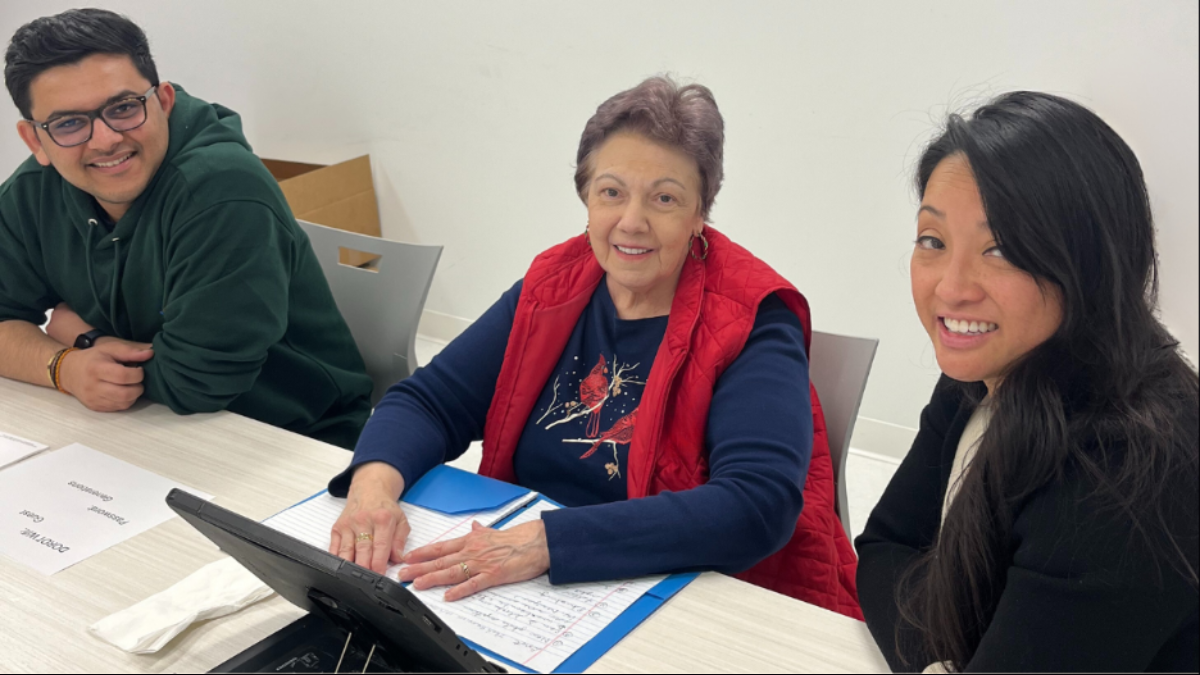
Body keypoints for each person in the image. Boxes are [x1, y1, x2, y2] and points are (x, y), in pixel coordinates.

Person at [327, 76, 861, 617]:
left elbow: (757, 505)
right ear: (586, 196)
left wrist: (547, 543)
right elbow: (430, 401)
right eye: (612, 192)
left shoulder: (752, 317)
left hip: (682, 596)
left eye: (665, 198)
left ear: (701, 212)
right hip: (528, 590)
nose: (632, 221)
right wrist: (373, 489)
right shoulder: (555, 284)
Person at [856, 92, 1199, 672]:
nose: (951, 288)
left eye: (1002, 250)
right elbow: (885, 548)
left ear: (1088, 263)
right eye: (933, 242)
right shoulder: (984, 374)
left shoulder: (1129, 469)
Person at [0, 9, 372, 449]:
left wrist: (81, 336)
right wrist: (64, 367)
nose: (104, 140)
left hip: (291, 437)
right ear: (34, 141)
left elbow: (197, 383)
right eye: (68, 123)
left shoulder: (223, 189)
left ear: (163, 101)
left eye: (122, 108)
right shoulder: (34, 189)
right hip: (148, 424)